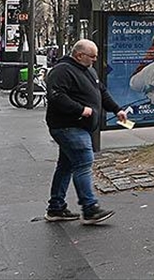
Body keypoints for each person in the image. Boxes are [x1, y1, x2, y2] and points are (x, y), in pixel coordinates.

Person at [44, 38, 127, 224]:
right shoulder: (62, 71)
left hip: (79, 126)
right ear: (79, 55)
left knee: (66, 166)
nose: (95, 60)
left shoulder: (88, 70)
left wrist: (117, 109)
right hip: (67, 126)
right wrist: (80, 109)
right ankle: (89, 208)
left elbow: (101, 92)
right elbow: (56, 96)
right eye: (92, 56)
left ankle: (56, 208)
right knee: (84, 162)